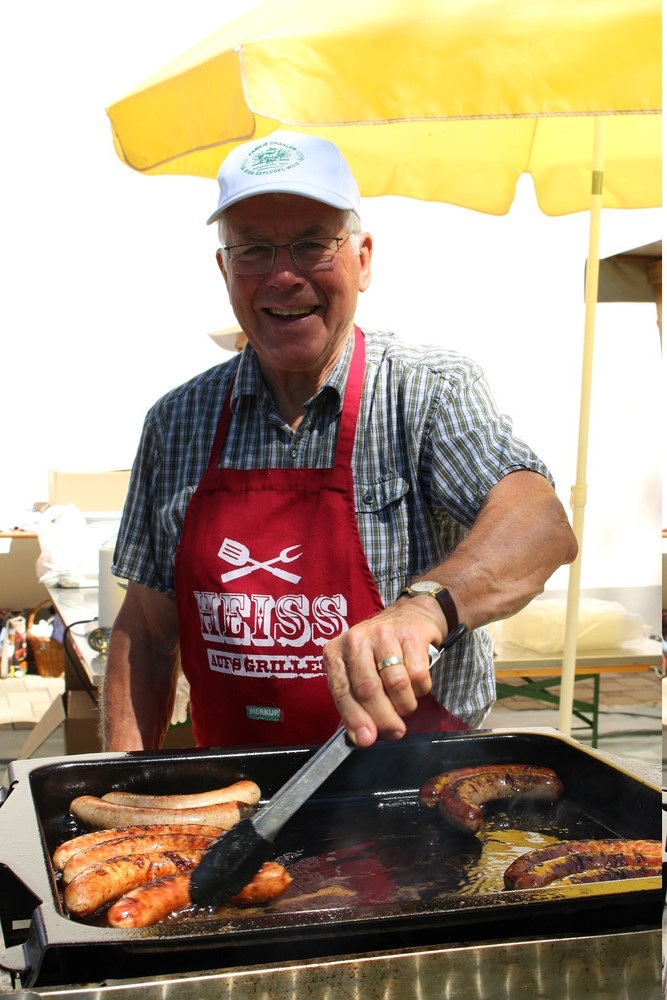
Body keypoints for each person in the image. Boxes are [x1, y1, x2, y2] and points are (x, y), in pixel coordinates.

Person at [101, 130, 577, 753]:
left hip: (414, 786)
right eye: (254, 250)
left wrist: (423, 608)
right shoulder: (176, 422)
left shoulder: (425, 393)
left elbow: (539, 524)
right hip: (234, 789)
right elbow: (145, 630)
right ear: (225, 270)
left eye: (311, 245)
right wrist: (124, 784)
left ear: (363, 259)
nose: (284, 276)